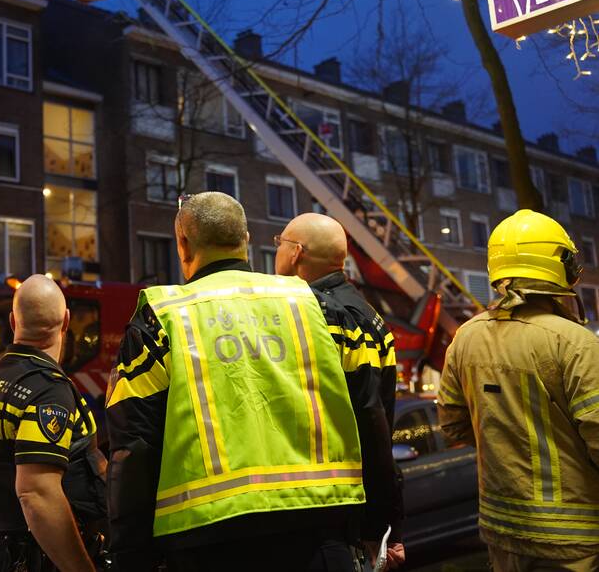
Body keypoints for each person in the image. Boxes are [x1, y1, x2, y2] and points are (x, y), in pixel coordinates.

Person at [105, 192, 370, 571]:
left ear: (183, 244)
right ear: (246, 240)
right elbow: (366, 409)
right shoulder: (312, 304)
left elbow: (132, 449)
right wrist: (375, 521)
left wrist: (130, 557)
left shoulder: (160, 317)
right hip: (319, 530)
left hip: (207, 541)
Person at [437, 209, 599, 572]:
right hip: (575, 541)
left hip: (501, 531)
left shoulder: (466, 337)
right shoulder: (574, 342)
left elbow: (453, 426)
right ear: (556, 265)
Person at [275, 213, 406, 570]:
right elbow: (382, 419)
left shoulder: (317, 315)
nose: (277, 252)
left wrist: (379, 523)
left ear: (296, 253)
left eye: (279, 243)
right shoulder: (370, 315)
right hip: (356, 504)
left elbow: (369, 418)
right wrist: (386, 522)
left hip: (321, 508)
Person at [0, 275, 96, 572]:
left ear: (12, 321)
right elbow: (36, 493)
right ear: (67, 321)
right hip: (30, 559)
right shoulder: (49, 389)